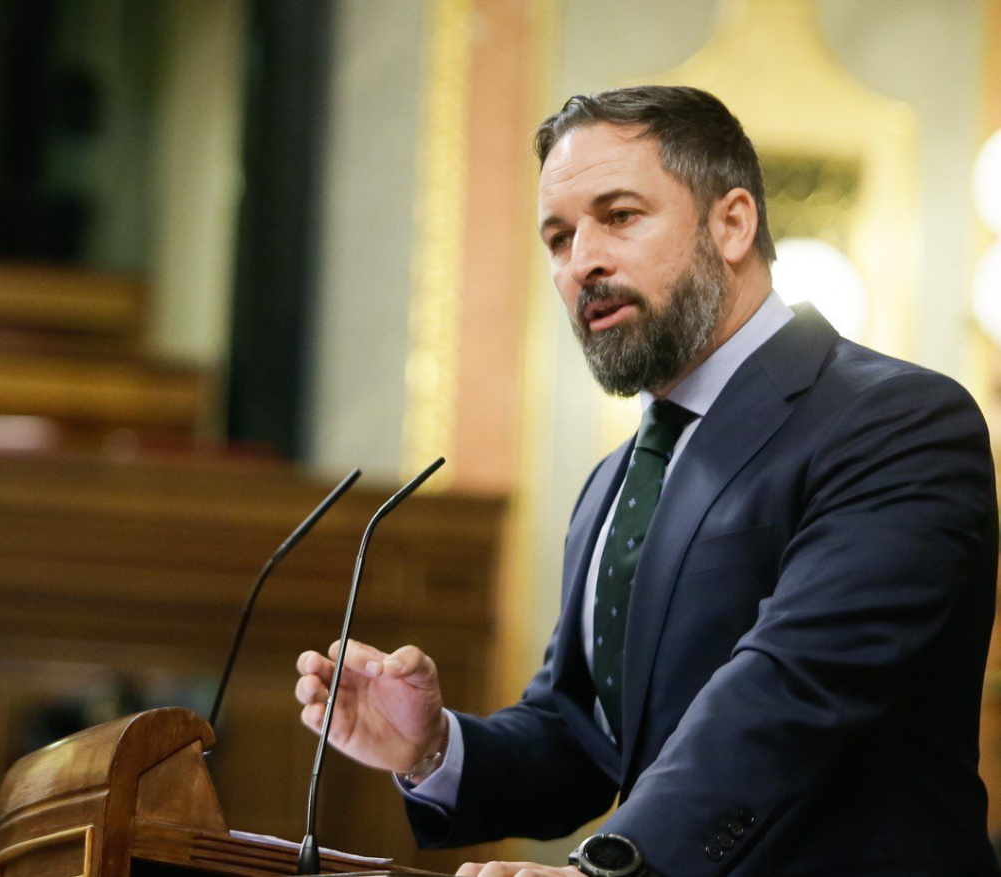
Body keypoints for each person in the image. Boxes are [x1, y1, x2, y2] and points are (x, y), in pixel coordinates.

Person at [294, 86, 1000, 876]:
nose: (581, 261)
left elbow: (790, 690)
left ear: (732, 223)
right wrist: (434, 747)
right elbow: (584, 737)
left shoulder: (897, 420)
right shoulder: (614, 482)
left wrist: (608, 872)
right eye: (558, 238)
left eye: (620, 215)